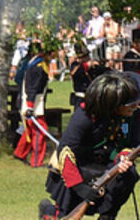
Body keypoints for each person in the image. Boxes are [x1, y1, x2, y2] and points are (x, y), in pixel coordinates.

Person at [39, 72, 140, 220]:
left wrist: (122, 158)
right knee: (65, 213)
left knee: (128, 175)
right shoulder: (85, 116)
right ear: (115, 103)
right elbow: (66, 151)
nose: (136, 107)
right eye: (131, 105)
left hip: (104, 163)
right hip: (76, 166)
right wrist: (79, 187)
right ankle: (49, 212)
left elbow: (126, 143)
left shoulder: (127, 116)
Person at [14, 41, 50, 167]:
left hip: (30, 102)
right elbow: (33, 87)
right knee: (39, 131)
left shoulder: (30, 64)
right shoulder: (38, 66)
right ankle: (36, 161)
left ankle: (20, 153)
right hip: (33, 104)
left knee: (29, 131)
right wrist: (30, 106)